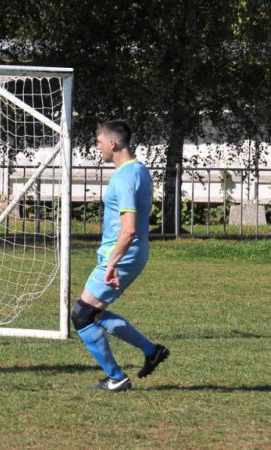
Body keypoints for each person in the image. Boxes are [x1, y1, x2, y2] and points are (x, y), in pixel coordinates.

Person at [72, 120, 170, 392]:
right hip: (129, 252)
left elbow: (127, 230)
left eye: (99, 141)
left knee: (81, 315)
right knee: (94, 313)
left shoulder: (125, 177)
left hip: (123, 254)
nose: (98, 146)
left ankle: (116, 378)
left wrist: (112, 263)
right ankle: (152, 351)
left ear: (112, 144)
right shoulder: (139, 170)